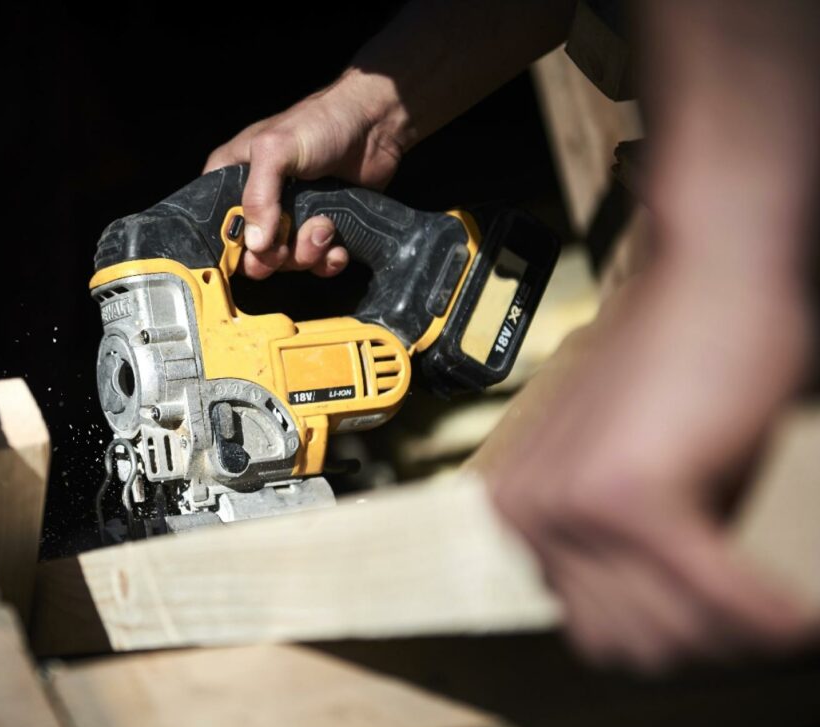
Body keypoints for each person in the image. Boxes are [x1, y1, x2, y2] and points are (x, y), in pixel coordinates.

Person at [205, 0, 819, 672]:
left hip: (768, 200)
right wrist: (372, 108)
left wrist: (731, 260)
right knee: (517, 573)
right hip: (746, 195)